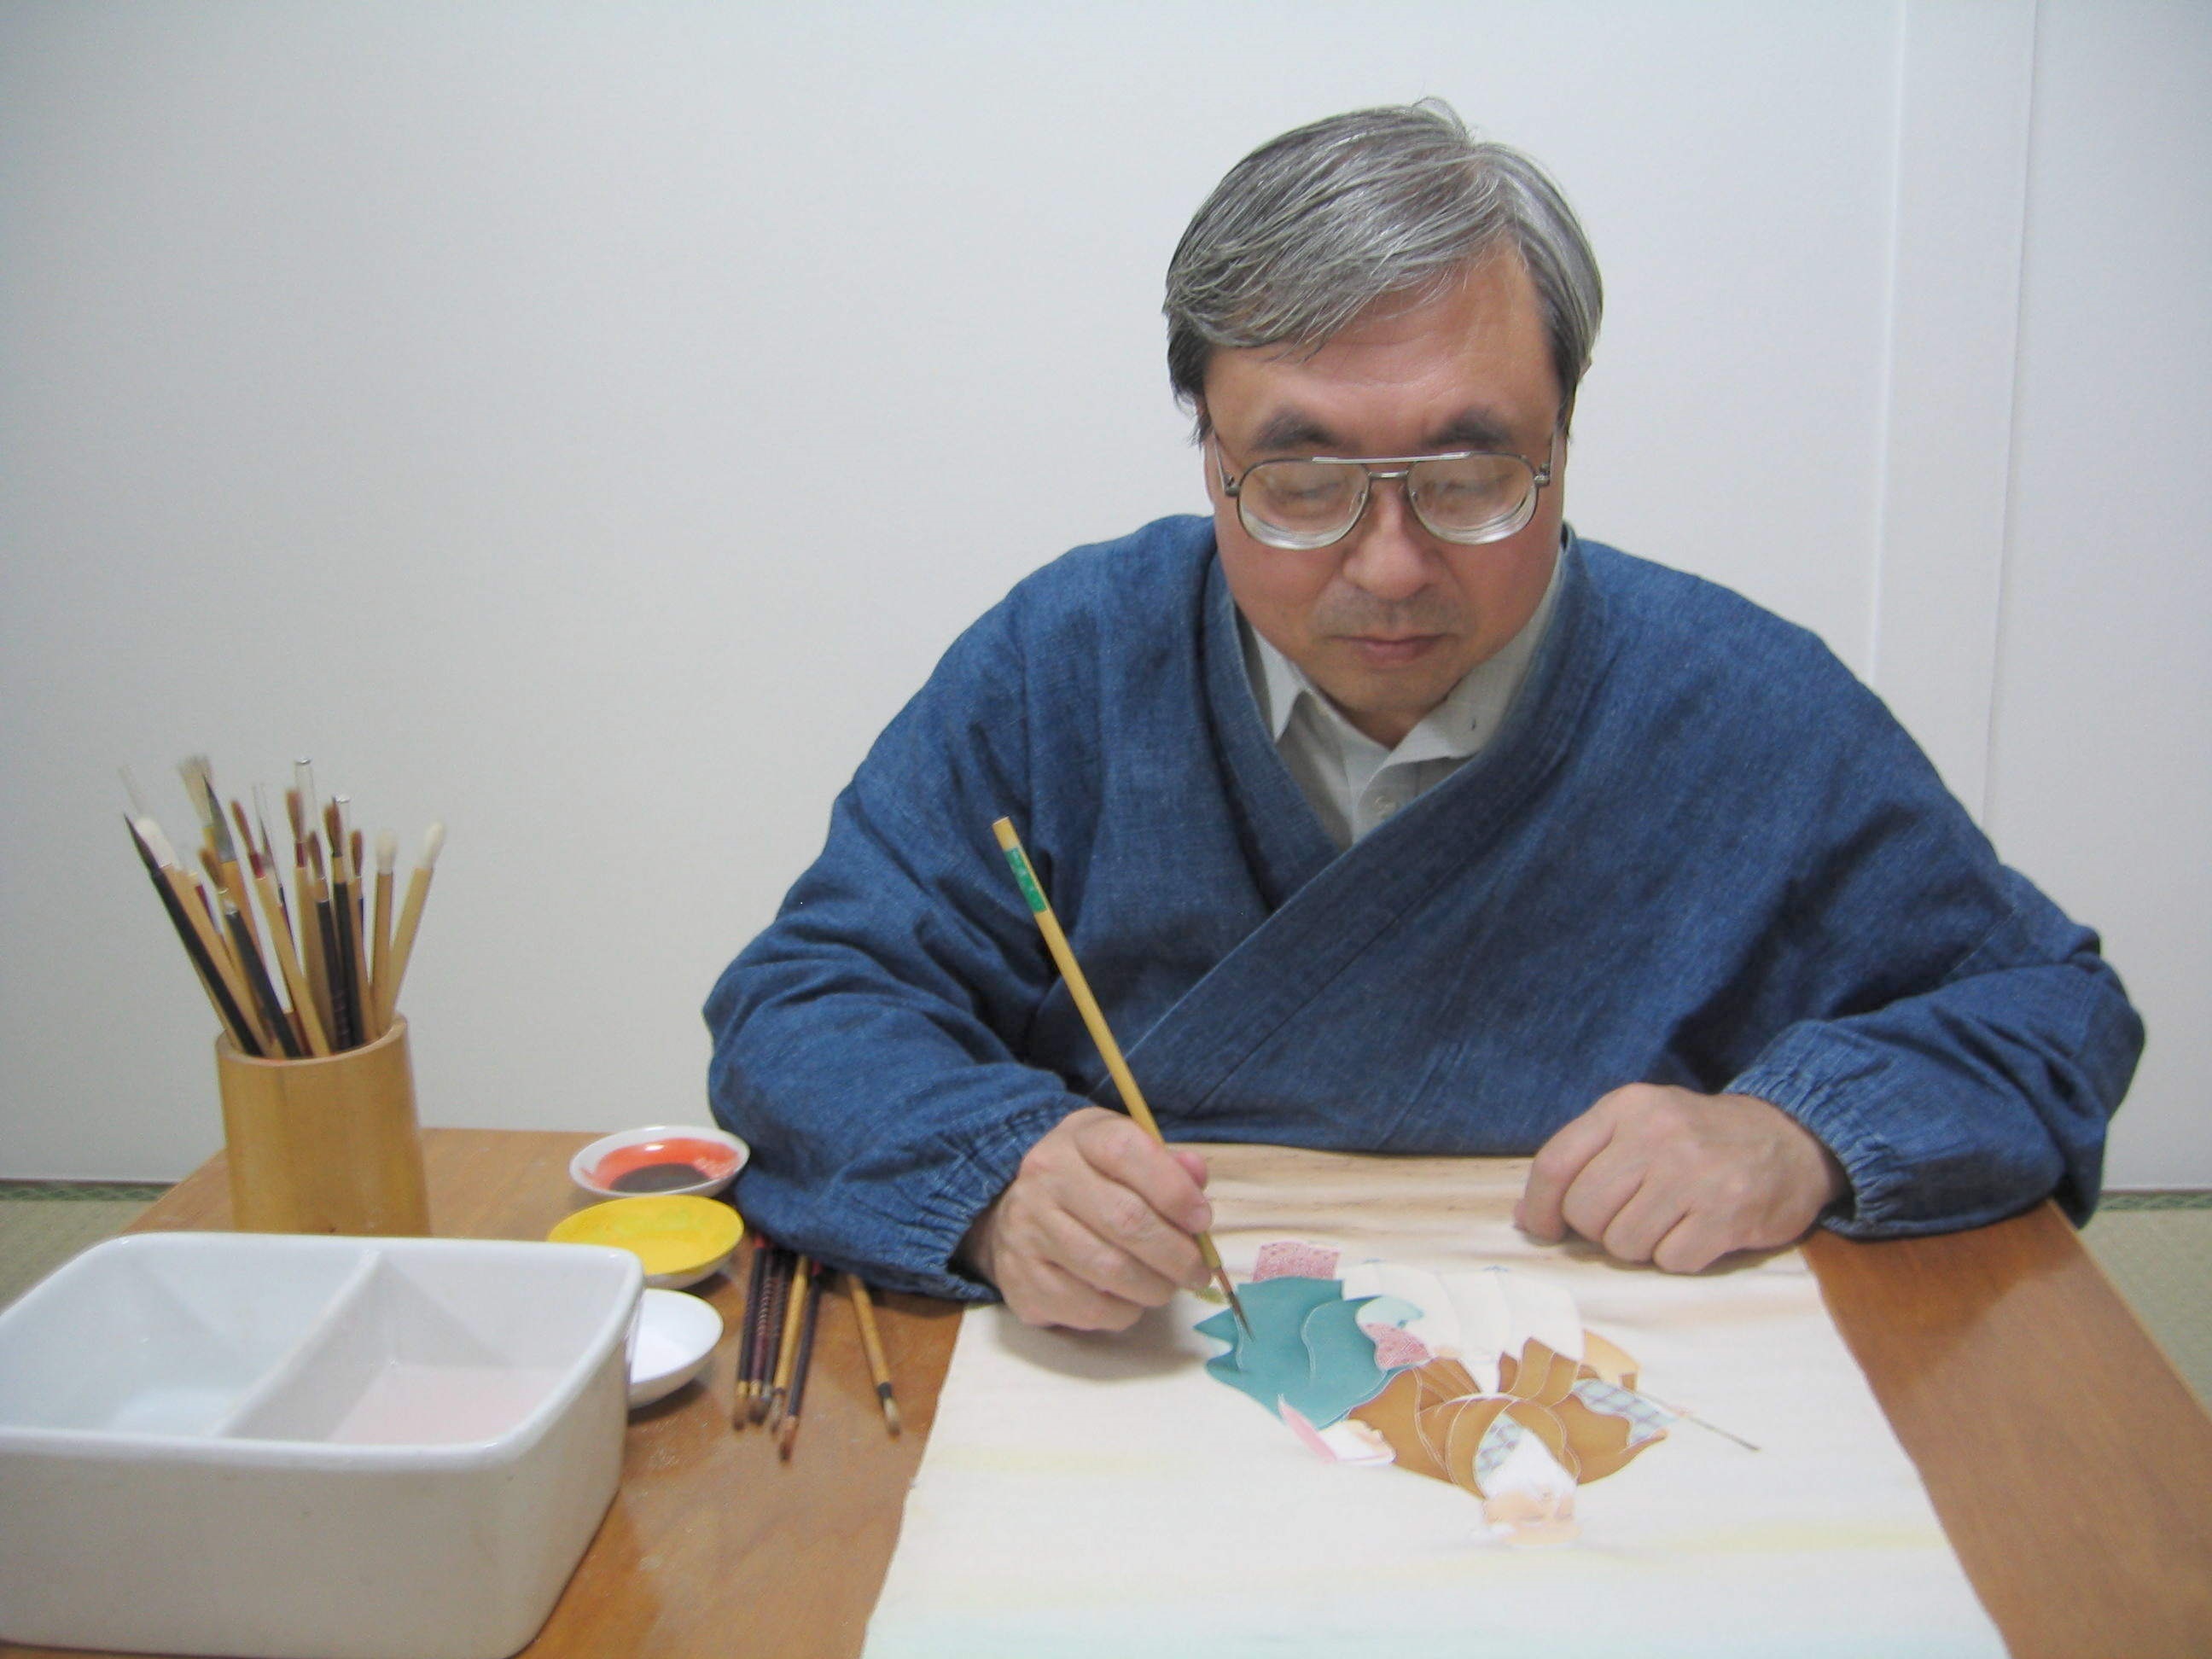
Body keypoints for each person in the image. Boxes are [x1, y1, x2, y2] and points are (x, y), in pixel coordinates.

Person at [705, 102, 2141, 1331]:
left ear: (1564, 440)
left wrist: (1797, 1135)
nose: (1389, 567)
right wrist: (1000, 1178)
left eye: (1467, 477)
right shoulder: (1066, 663)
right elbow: (807, 1003)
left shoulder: (1747, 707)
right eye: (1302, 482)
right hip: (1143, 1366)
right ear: (1208, 456)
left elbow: (2048, 1012)